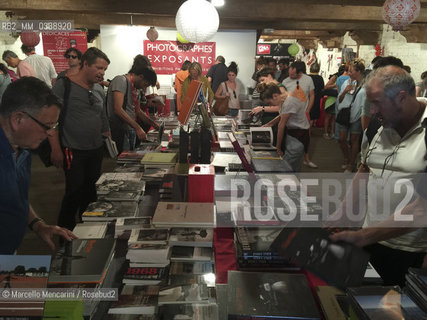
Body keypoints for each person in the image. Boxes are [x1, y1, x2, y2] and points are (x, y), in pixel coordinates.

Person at [329, 66, 427, 286]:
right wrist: (343, 211)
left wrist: (363, 236)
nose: (371, 111)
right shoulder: (378, 125)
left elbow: (423, 207)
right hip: (370, 239)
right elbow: (364, 169)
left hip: (412, 250)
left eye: (376, 102)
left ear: (401, 97)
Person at [0, 77, 76, 254]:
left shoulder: (23, 148)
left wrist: (37, 224)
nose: (50, 134)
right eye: (47, 126)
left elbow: (18, 198)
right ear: (18, 119)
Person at [49, 47, 111, 231]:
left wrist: (107, 133)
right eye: (98, 68)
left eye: (104, 70)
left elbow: (102, 115)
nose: (101, 73)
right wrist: (55, 148)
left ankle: (86, 233)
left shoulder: (98, 88)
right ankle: (65, 235)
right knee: (73, 193)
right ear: (85, 64)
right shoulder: (64, 85)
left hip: (95, 149)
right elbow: (51, 119)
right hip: (72, 150)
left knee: (91, 193)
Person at [106, 63, 159, 153]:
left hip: (130, 129)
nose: (144, 87)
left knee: (130, 155)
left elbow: (137, 111)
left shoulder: (135, 87)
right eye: (145, 84)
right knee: (122, 159)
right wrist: (138, 128)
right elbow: (118, 109)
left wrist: (153, 123)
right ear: (141, 76)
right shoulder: (121, 81)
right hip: (120, 130)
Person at [259, 82, 309, 162]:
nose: (270, 106)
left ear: (275, 96)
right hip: (292, 133)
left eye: (269, 103)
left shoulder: (289, 102)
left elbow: (281, 126)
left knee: (289, 167)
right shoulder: (284, 100)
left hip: (298, 136)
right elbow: (283, 115)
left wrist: (278, 148)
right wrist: (270, 124)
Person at [282, 61, 317, 168]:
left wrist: (308, 110)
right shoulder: (285, 81)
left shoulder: (308, 79)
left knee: (305, 137)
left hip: (304, 112)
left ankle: (306, 158)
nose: (291, 75)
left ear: (300, 72)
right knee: (290, 138)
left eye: (294, 74)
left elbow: (312, 95)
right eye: (290, 71)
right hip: (290, 114)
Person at [336, 59, 366, 173]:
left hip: (357, 115)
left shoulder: (366, 85)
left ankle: (351, 163)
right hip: (345, 113)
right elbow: (339, 99)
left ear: (359, 71)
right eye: (348, 71)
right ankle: (346, 158)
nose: (349, 73)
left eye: (351, 71)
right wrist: (345, 91)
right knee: (342, 139)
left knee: (354, 140)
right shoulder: (347, 82)